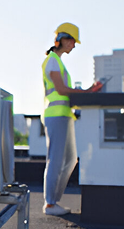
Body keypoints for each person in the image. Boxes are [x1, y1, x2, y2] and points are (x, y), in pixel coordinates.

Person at [42, 22, 103, 216]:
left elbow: (65, 93)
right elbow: (61, 90)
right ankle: (50, 204)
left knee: (70, 160)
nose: (74, 46)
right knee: (56, 161)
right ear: (63, 39)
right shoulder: (52, 61)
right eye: (72, 41)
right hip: (56, 115)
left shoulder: (57, 62)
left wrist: (86, 93)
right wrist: (84, 92)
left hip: (64, 115)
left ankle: (53, 201)